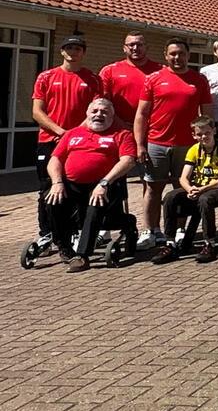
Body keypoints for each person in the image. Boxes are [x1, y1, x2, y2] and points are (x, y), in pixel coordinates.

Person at [134, 37, 212, 249]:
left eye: (181, 53)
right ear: (166, 56)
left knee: (183, 189)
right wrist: (140, 144)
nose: (177, 57)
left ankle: (179, 230)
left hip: (188, 146)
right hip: (156, 143)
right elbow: (142, 114)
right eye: (173, 54)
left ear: (188, 55)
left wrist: (205, 143)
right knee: (153, 188)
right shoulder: (153, 78)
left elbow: (207, 115)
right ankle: (150, 231)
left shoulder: (199, 79)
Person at [44, 97, 138, 272]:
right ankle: (64, 247)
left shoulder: (122, 134)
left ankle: (82, 256)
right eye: (95, 111)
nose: (99, 114)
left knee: (95, 205)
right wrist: (57, 182)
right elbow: (55, 159)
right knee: (51, 201)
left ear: (112, 116)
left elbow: (128, 160)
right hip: (72, 185)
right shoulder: (72, 134)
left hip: (103, 185)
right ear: (87, 113)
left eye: (104, 112)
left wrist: (104, 182)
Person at [32, 35, 101, 254]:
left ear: (84, 53)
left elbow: (95, 111)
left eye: (78, 48)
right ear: (62, 51)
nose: (73, 52)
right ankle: (46, 234)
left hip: (80, 142)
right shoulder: (46, 77)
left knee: (77, 188)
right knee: (47, 187)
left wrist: (72, 135)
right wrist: (60, 132)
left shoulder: (92, 79)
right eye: (69, 48)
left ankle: (74, 231)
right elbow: (37, 112)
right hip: (49, 141)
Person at [160, 115, 218, 264]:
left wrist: (202, 189)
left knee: (205, 199)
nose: (204, 137)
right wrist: (189, 189)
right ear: (194, 135)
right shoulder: (193, 150)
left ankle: (209, 243)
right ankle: (170, 243)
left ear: (214, 131)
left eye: (207, 133)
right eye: (199, 134)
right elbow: (183, 178)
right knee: (170, 197)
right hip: (197, 187)